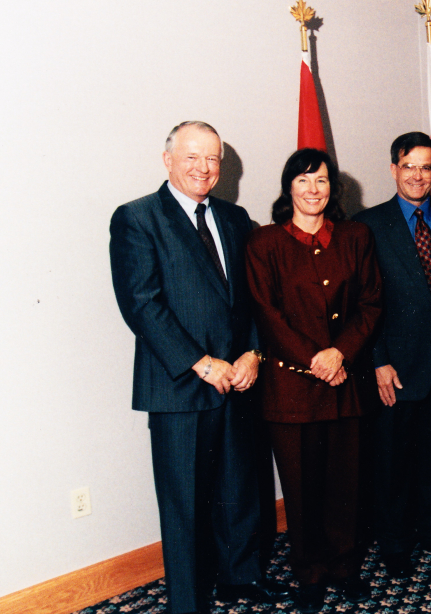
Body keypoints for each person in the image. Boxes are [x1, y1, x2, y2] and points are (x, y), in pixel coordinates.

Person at [109, 121, 288, 614]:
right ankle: (187, 604)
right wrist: (201, 363)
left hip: (238, 378)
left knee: (241, 491)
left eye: (212, 159)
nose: (203, 168)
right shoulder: (137, 218)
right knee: (185, 504)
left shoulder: (235, 218)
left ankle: (241, 579)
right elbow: (142, 305)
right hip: (179, 385)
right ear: (167, 160)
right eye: (191, 157)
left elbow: (254, 298)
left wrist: (253, 352)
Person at [244, 149, 382, 611]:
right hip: (291, 390)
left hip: (345, 382)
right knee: (301, 489)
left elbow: (370, 304)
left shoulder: (356, 237)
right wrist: (317, 359)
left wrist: (339, 352)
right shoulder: (264, 243)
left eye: (321, 180)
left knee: (346, 484)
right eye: (303, 181)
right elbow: (267, 313)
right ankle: (309, 573)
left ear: (332, 188)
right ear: (288, 188)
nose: (313, 189)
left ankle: (343, 568)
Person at [353, 132, 431, 577]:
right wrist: (377, 360)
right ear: (393, 169)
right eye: (409, 166)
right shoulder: (366, 225)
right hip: (393, 367)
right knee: (392, 460)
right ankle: (396, 543)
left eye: (426, 167)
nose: (418, 175)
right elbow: (362, 302)